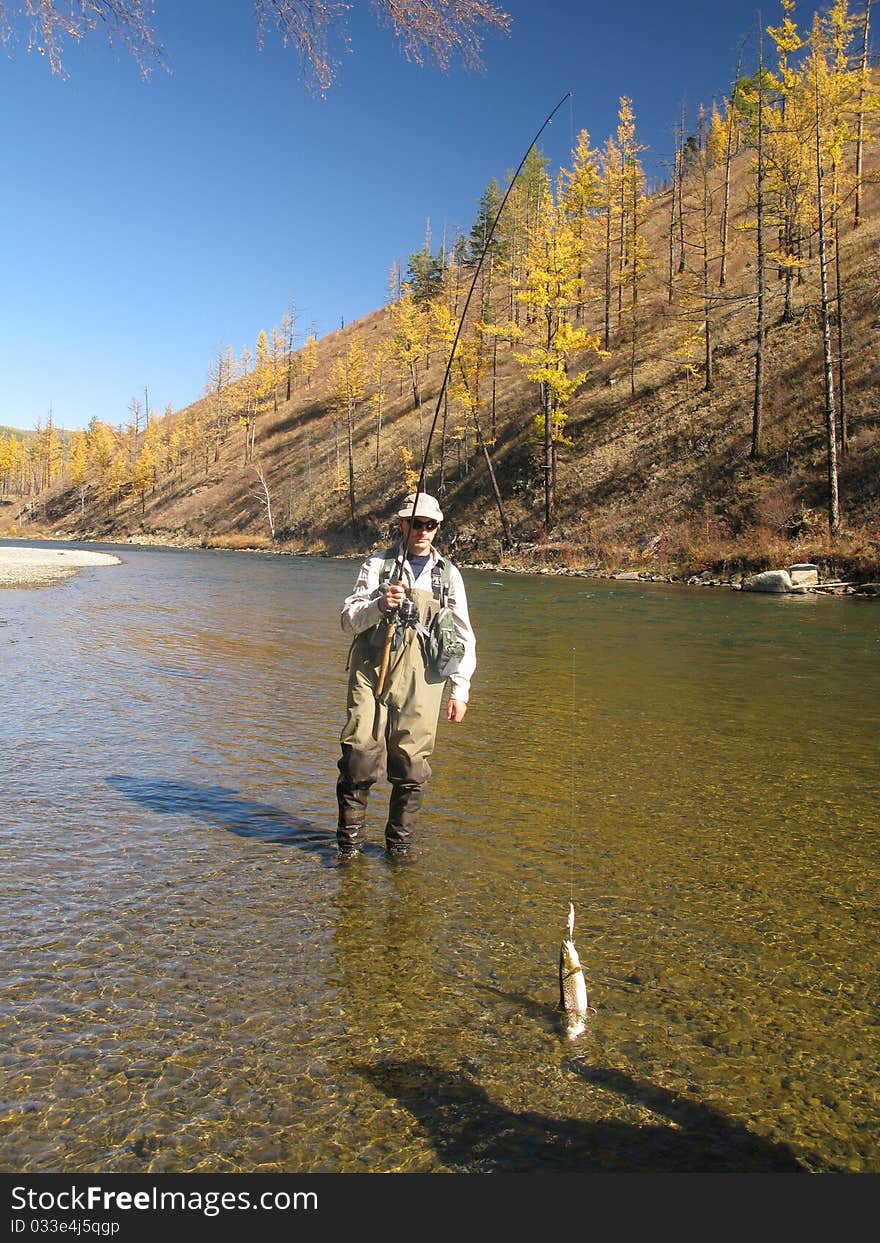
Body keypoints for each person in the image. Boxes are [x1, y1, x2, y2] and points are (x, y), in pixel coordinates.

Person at [336, 491, 476, 861]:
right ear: (402, 525)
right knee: (358, 759)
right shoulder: (376, 566)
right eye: (416, 523)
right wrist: (380, 604)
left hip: (425, 679)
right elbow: (347, 621)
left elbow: (463, 636)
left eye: (430, 525)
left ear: (438, 528)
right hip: (371, 670)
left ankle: (398, 850)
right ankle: (349, 848)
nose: (423, 531)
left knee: (412, 766)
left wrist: (459, 691)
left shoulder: (449, 576)